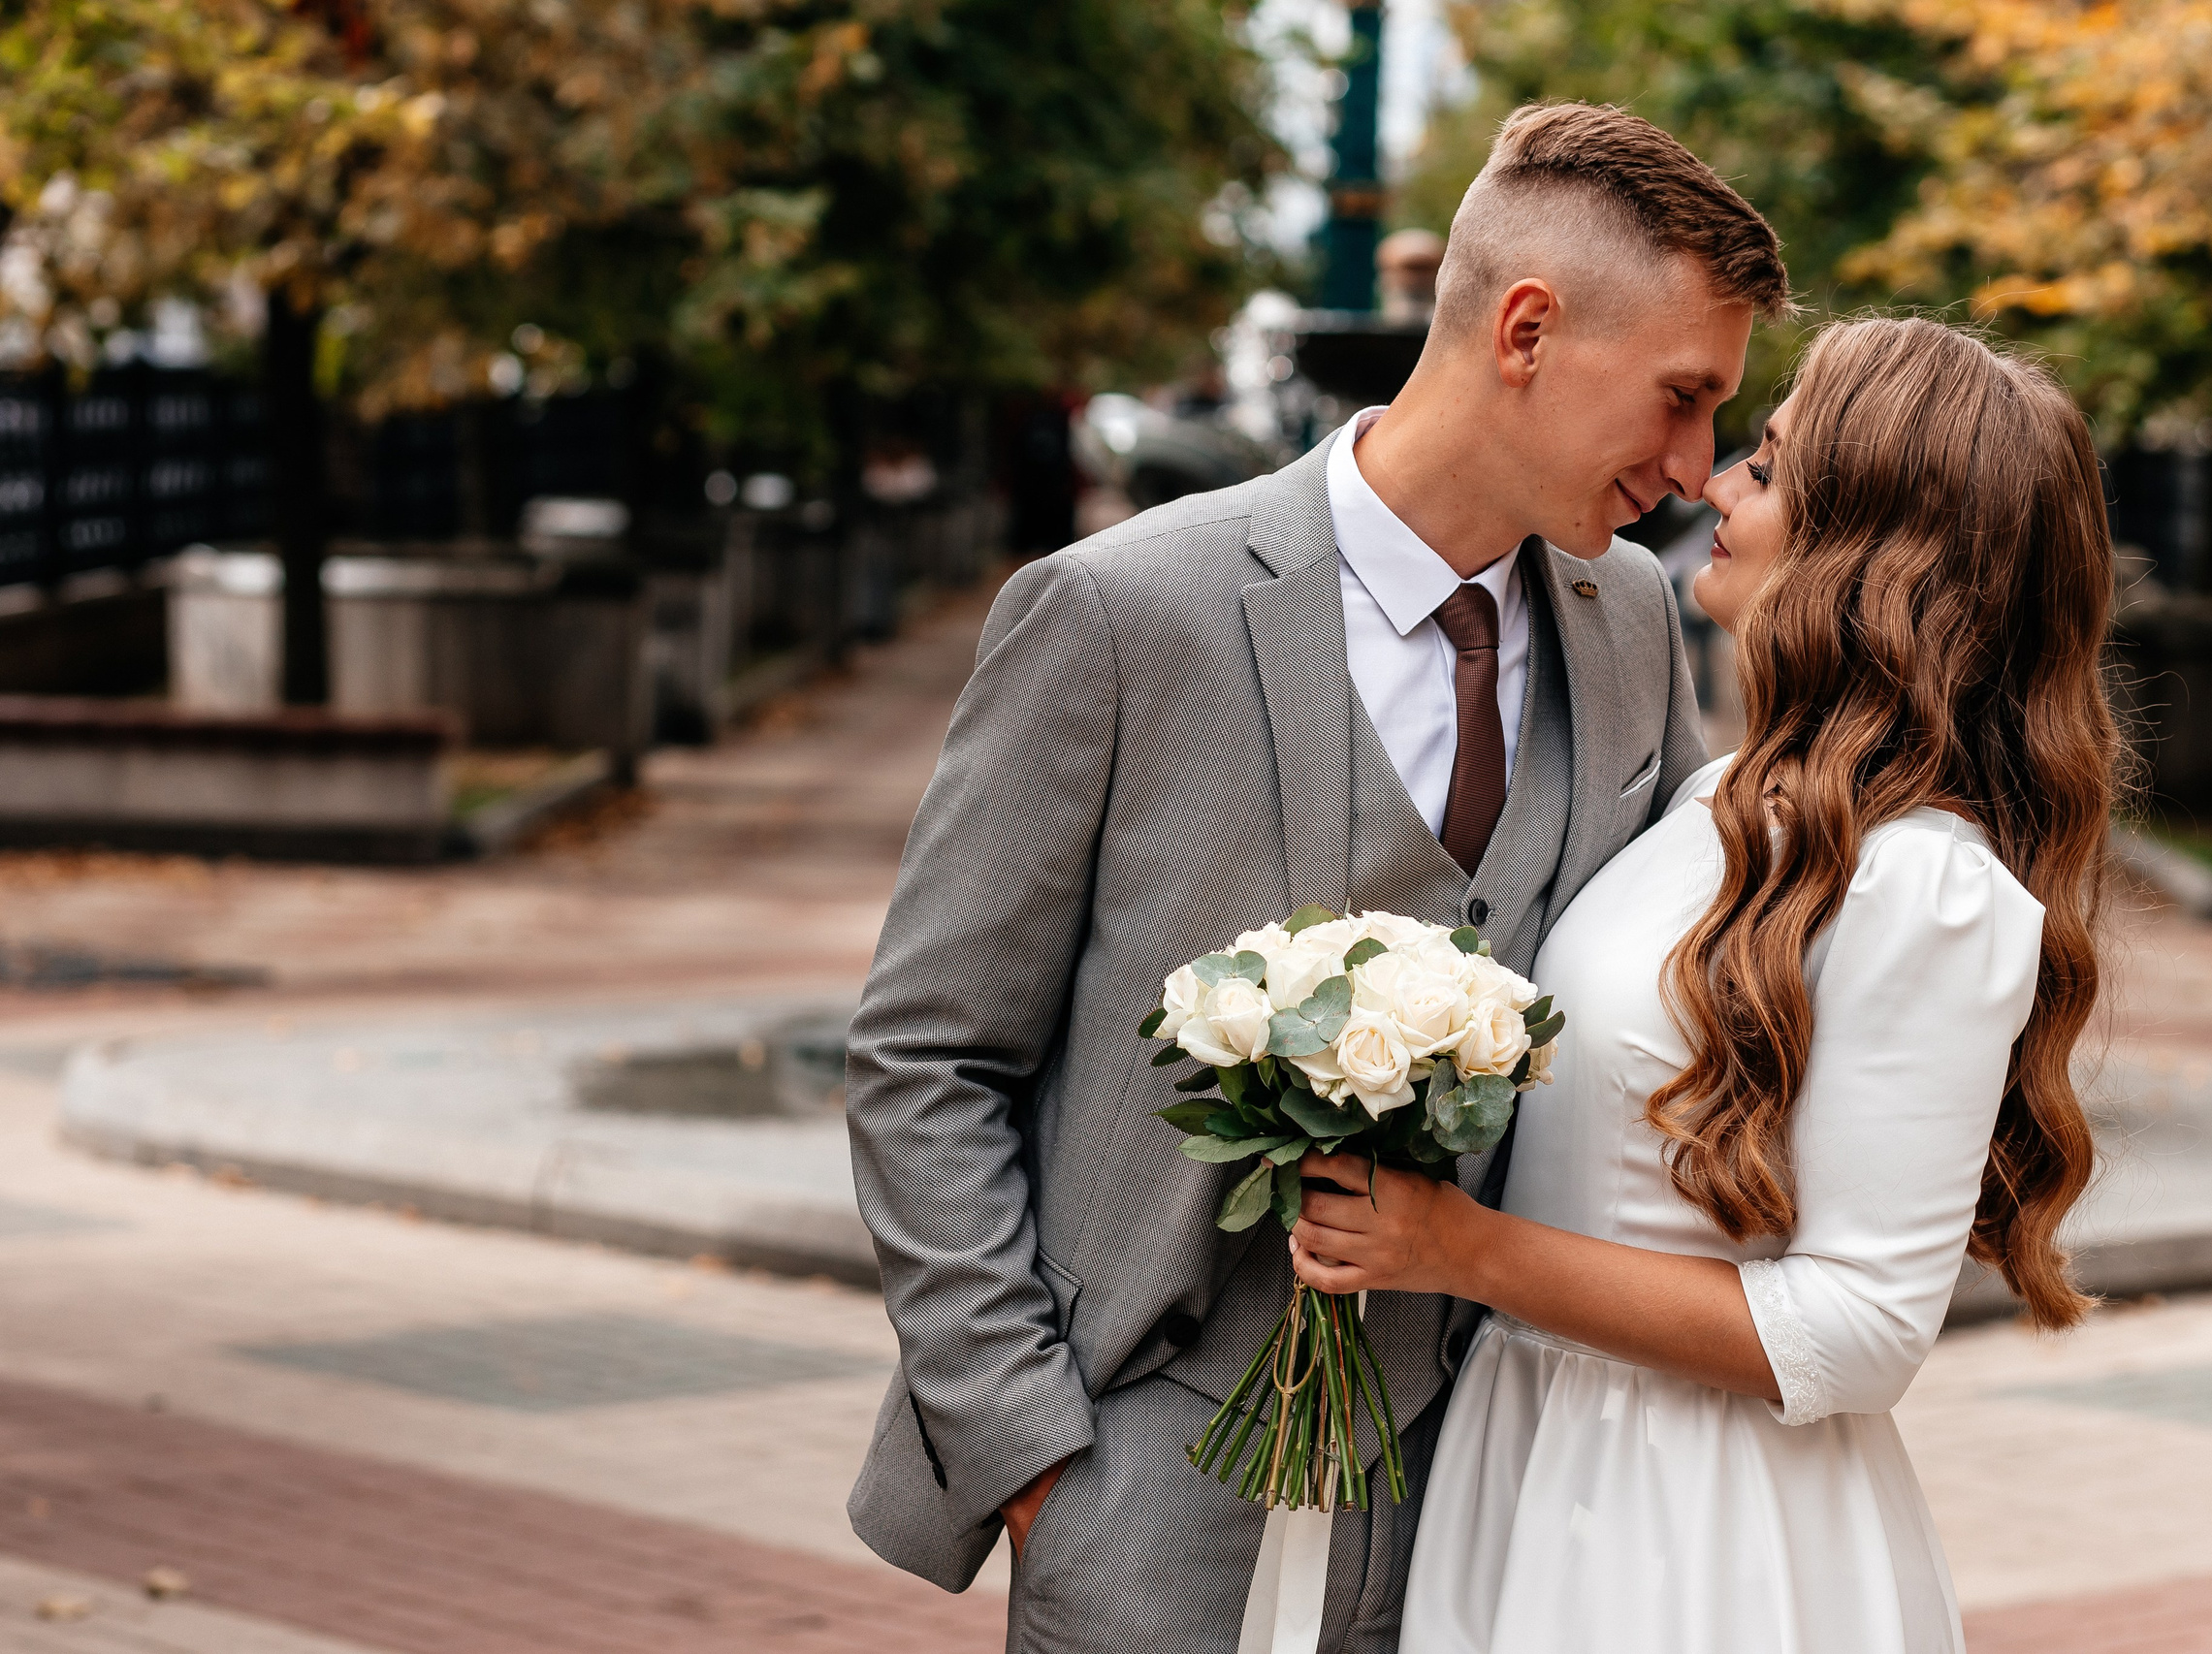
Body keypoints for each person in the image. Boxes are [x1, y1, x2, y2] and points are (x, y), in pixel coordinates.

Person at [842, 104, 1789, 1651]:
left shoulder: (1631, 629)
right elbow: (927, 1054)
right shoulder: (1120, 613)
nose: (1693, 471)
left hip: (1483, 1504)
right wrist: (1033, 1454)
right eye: (1682, 399)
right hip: (1144, 1482)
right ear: (1528, 330)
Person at [1288, 316, 2119, 1652]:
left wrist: (1459, 1248)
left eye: (1769, 468)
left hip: (1695, 1527)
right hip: (1527, 1450)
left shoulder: (1928, 886)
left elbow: (1858, 1328)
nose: (1712, 485)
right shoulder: (1713, 796)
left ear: (1874, 553)